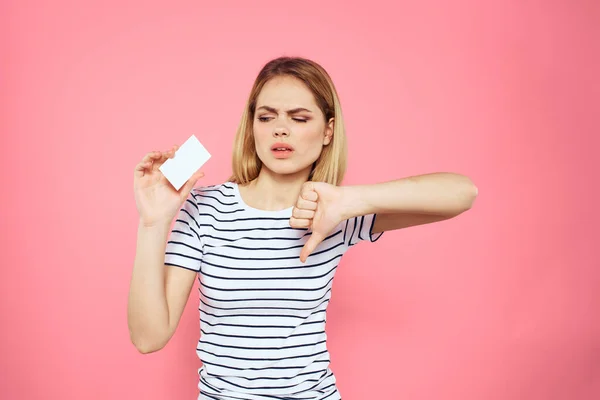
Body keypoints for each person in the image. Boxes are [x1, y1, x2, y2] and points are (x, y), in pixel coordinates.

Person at [128, 56, 478, 400]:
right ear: (253, 127)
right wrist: (154, 221)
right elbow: (148, 338)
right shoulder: (206, 208)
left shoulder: (334, 209)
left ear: (328, 131)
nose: (281, 128)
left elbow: (462, 193)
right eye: (267, 117)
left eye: (299, 118)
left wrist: (350, 200)